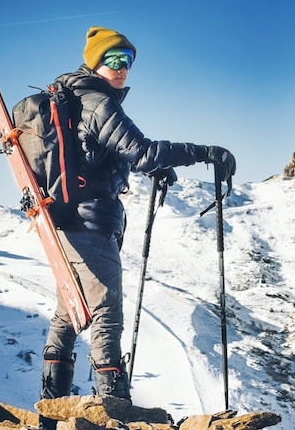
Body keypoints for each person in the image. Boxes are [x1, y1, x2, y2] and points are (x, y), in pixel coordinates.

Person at [38, 26, 236, 404]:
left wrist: (150, 168)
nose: (122, 68)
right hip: (90, 225)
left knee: (67, 312)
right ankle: (113, 408)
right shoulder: (98, 102)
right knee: (106, 313)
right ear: (95, 62)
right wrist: (205, 152)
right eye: (113, 59)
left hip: (63, 223)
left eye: (127, 60)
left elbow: (98, 153)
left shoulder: (73, 98)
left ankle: (51, 409)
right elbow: (141, 151)